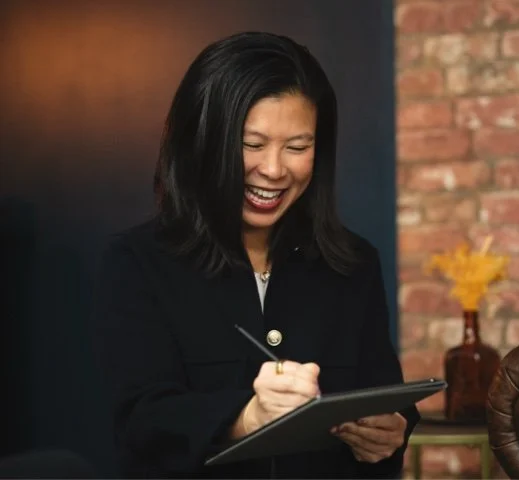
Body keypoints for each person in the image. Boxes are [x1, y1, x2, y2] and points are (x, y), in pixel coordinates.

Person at [92, 31, 420, 478]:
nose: (273, 169)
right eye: (252, 144)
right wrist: (248, 418)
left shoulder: (353, 263)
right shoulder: (137, 263)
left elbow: (383, 396)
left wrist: (390, 433)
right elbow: (142, 423)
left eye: (298, 147)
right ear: (203, 140)